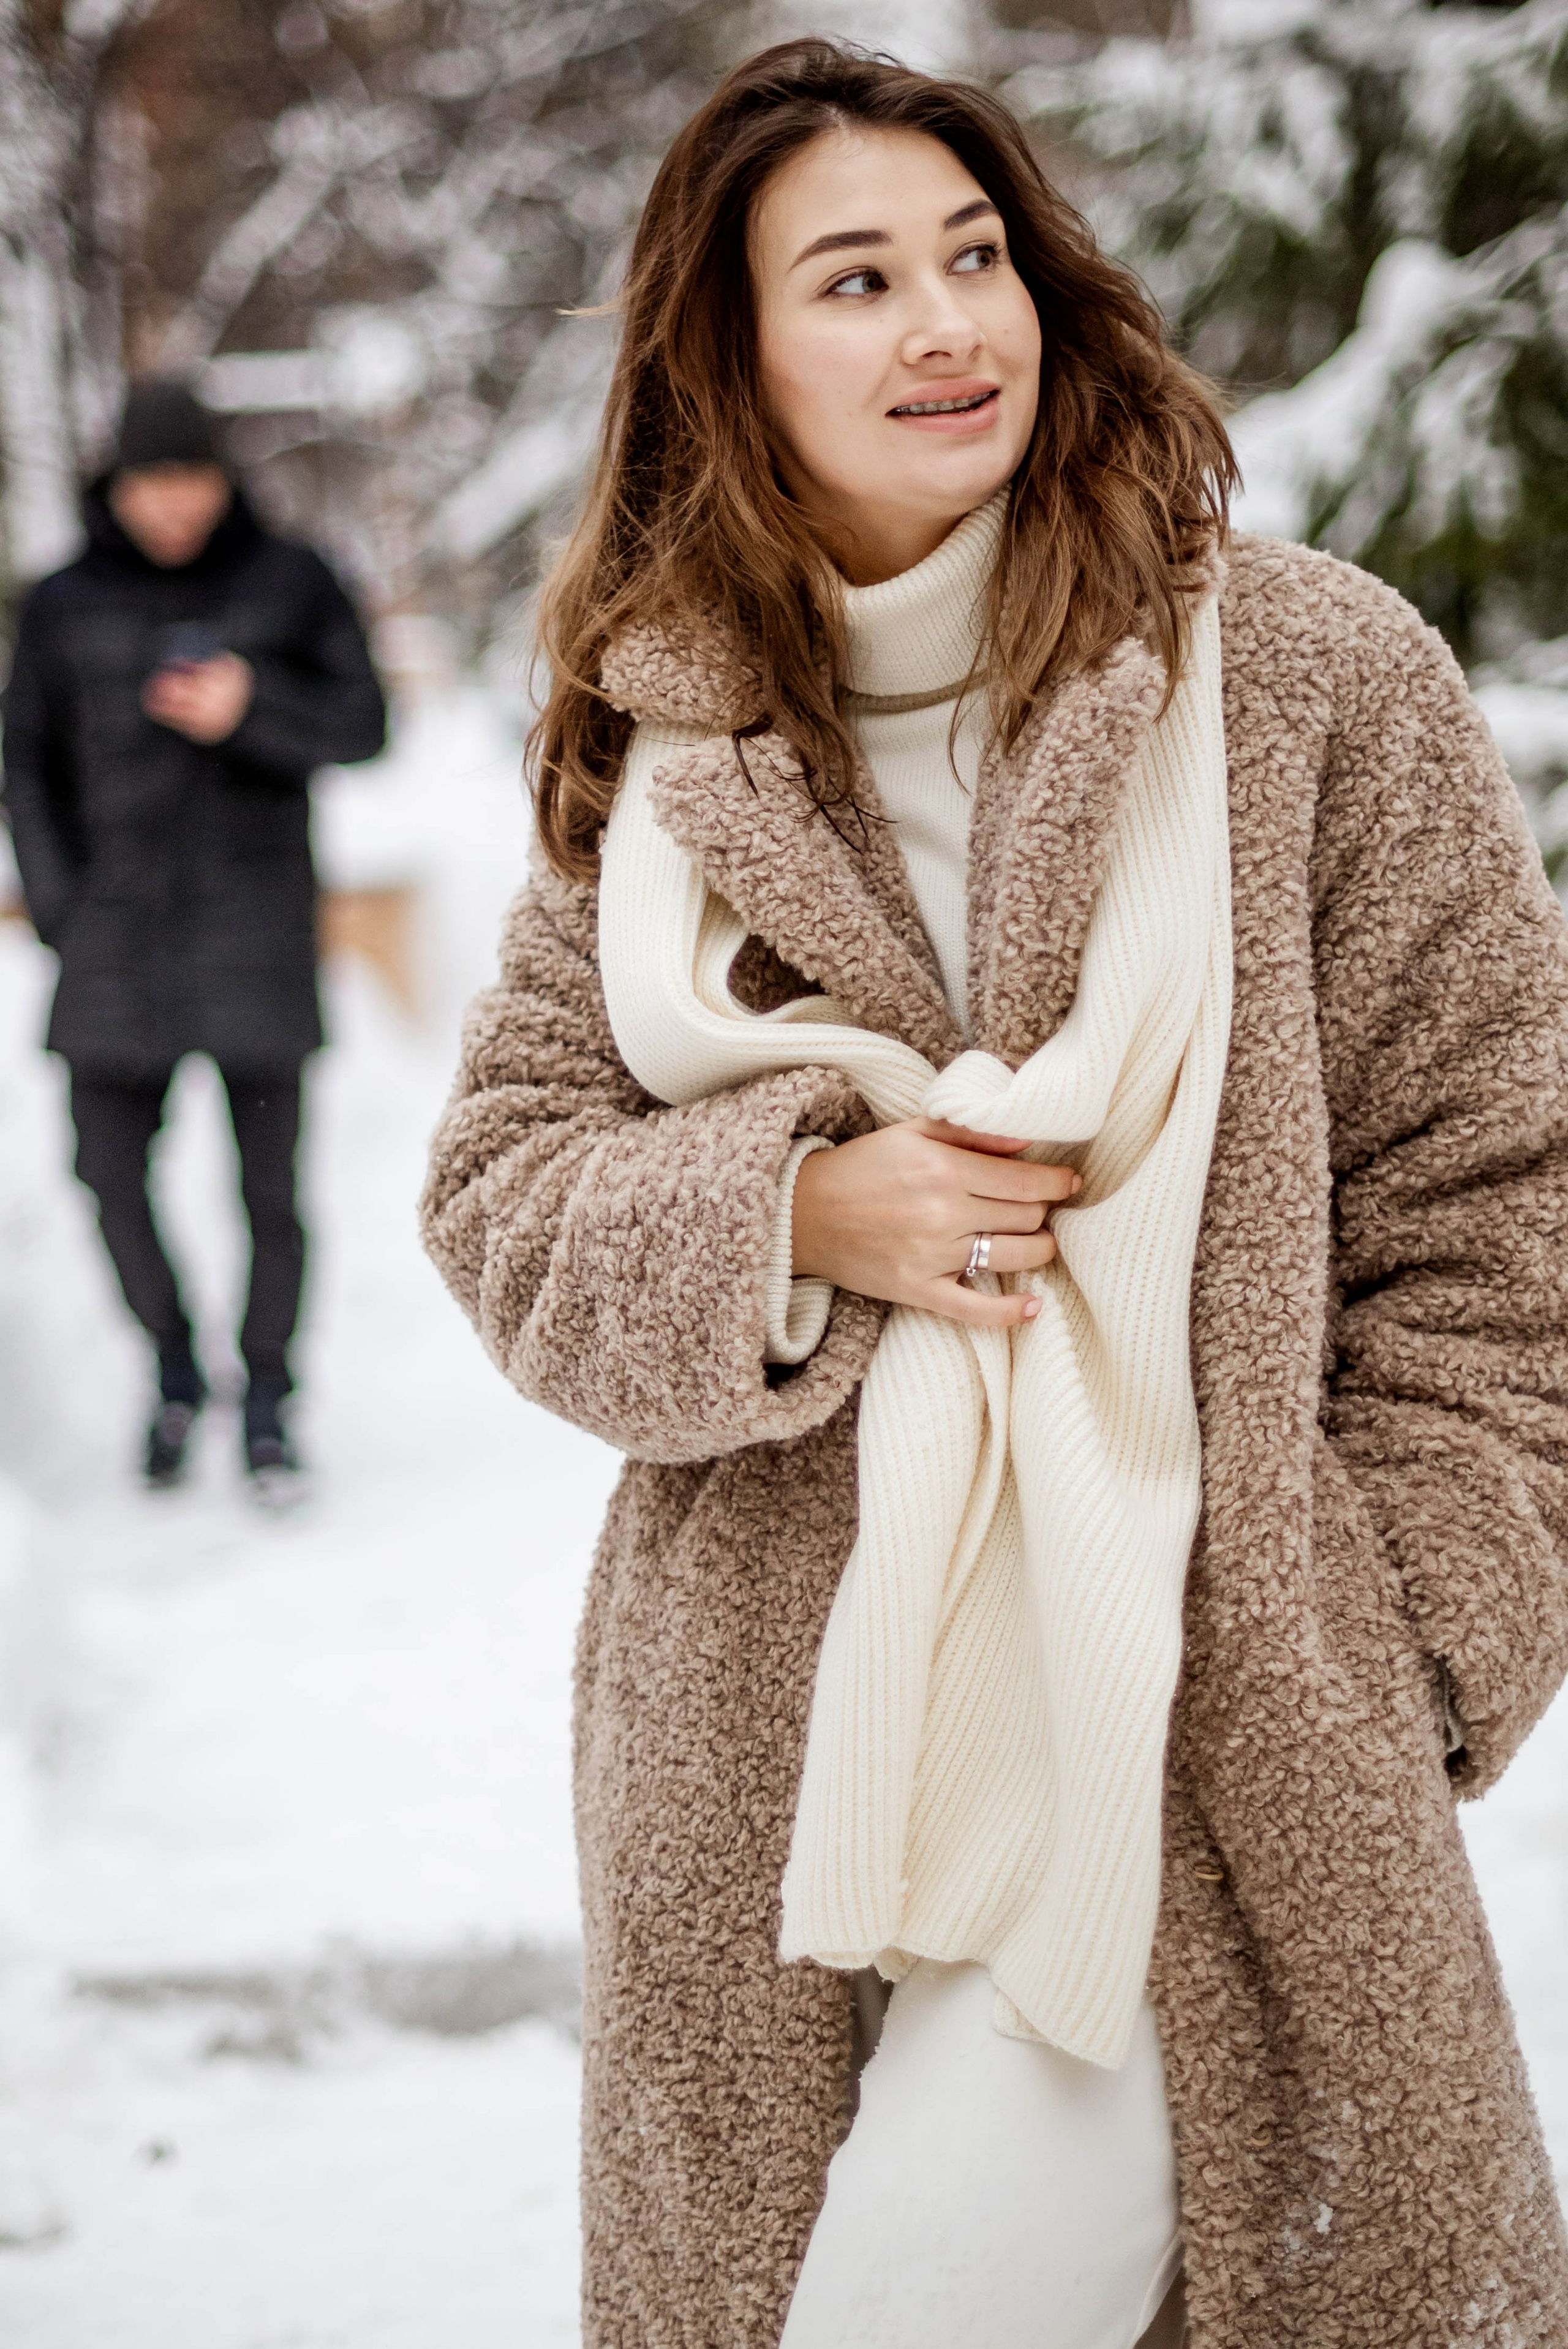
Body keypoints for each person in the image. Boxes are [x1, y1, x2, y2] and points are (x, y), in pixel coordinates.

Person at [421, 40, 1568, 2349]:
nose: (948, 324)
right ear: (731, 357)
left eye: (976, 257)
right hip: (786, 1766)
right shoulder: (675, 740)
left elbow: (1502, 1199)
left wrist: (1395, 1631)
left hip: (1201, 1733)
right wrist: (794, 1214)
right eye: (855, 280)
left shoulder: (1307, 679)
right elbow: (505, 1187)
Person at [2, 379, 385, 1495]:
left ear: (223, 478)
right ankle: (174, 1371)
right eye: (151, 482)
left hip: (256, 934)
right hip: (114, 943)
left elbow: (366, 727)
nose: (173, 504)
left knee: (269, 1194)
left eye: (192, 478)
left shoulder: (292, 577)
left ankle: (269, 1402)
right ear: (115, 486)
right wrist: (61, 910)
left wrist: (249, 708)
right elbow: (25, 762)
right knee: (107, 1176)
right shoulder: (62, 601)